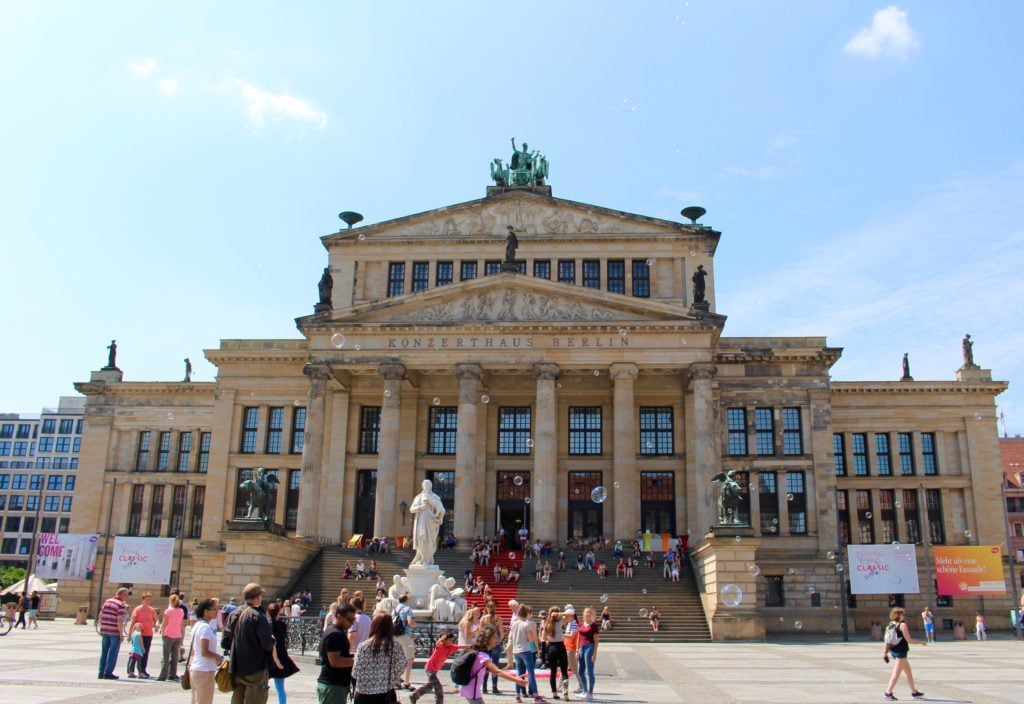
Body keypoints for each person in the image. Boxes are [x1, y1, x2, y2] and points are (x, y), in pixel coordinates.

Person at [221, 582, 274, 704]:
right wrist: (272, 640)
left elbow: (225, 643)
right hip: (255, 668)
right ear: (257, 597)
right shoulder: (258, 615)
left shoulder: (234, 613)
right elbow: (266, 643)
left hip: (237, 667)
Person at [352, 612, 406, 704]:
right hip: (386, 693)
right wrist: (392, 677)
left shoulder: (363, 646)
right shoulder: (395, 645)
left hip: (364, 694)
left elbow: (356, 672)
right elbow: (402, 665)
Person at [883, 606, 926, 700]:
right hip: (901, 652)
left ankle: (914, 691)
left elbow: (887, 640)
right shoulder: (902, 625)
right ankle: (888, 692)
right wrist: (921, 642)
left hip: (894, 650)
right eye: (902, 614)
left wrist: (885, 652)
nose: (903, 616)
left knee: (908, 672)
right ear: (899, 615)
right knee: (896, 673)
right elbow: (909, 640)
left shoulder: (890, 624)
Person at [318, 603, 356, 704]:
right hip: (333, 685)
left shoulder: (337, 631)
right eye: (349, 619)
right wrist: (356, 660)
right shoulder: (334, 634)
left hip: (335, 685)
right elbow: (335, 661)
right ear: (339, 616)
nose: (352, 623)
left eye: (354, 619)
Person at [410, 629, 460, 704]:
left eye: (452, 640)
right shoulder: (440, 646)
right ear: (444, 640)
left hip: (434, 670)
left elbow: (459, 647)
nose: (451, 641)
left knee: (429, 686)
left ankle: (414, 695)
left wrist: (471, 646)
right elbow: (437, 643)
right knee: (438, 687)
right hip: (430, 669)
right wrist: (442, 638)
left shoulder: (450, 647)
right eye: (450, 640)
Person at [189, 598, 224, 704]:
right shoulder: (205, 628)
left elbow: (194, 651)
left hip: (197, 668)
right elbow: (205, 652)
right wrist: (217, 657)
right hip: (205, 670)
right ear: (205, 611)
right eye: (214, 609)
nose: (216, 611)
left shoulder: (197, 625)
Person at [508, 604, 543, 703]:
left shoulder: (514, 624)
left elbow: (511, 637)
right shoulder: (526, 624)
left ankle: (518, 696)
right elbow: (531, 639)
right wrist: (535, 648)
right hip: (526, 650)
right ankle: (535, 696)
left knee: (519, 673)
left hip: (516, 650)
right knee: (531, 673)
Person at [267, 602, 300, 703]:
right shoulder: (282, 625)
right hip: (281, 656)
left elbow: (272, 642)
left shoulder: (267, 625)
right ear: (279, 612)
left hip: (268, 657)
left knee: (262, 686)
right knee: (280, 688)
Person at [410, 479, 446, 567]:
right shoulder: (418, 497)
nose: (427, 487)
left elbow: (442, 509)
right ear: (423, 486)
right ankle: (422, 558)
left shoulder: (435, 497)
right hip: (421, 521)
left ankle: (428, 558)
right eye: (425, 485)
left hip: (431, 521)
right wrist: (420, 507)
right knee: (421, 538)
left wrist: (431, 502)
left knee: (430, 540)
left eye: (428, 485)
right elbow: (411, 509)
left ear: (431, 486)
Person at [97, 587, 129, 679]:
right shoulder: (121, 604)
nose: (127, 597)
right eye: (126, 595)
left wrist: (101, 626)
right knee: (113, 653)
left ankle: (101, 672)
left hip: (105, 630)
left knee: (104, 652)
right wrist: (121, 634)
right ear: (122, 595)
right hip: (114, 631)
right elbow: (120, 620)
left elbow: (101, 615)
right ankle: (108, 673)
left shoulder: (107, 601)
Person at [128, 592, 158, 678]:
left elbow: (156, 620)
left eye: (149, 600)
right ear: (142, 599)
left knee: (145, 652)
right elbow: (132, 622)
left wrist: (156, 625)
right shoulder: (137, 609)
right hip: (138, 635)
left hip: (148, 634)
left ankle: (142, 670)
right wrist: (130, 634)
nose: (148, 601)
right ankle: (131, 670)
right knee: (135, 652)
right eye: (146, 600)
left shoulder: (151, 610)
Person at [479, 602, 506, 695]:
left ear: (486, 608)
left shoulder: (483, 618)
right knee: (495, 666)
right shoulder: (498, 618)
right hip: (495, 644)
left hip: (486, 645)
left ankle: (484, 687)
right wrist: (497, 641)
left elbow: (480, 633)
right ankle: (494, 687)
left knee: (485, 666)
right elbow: (502, 633)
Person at [157, 593, 185, 681]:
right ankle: (172, 674)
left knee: (165, 656)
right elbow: (182, 624)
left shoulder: (168, 611)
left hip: (168, 635)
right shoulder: (181, 611)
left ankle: (163, 675)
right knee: (174, 656)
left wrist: (162, 632)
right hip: (177, 635)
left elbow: (165, 623)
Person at [392, 594, 417, 690]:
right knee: (409, 659)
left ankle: (396, 681)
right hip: (405, 635)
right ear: (406, 600)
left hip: (394, 635)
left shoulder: (394, 609)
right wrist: (415, 625)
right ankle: (406, 682)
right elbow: (410, 622)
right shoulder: (408, 609)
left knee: (397, 658)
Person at [543, 607, 568, 699]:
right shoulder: (560, 622)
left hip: (551, 647)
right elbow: (569, 614)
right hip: (560, 646)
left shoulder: (547, 623)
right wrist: (560, 614)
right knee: (564, 670)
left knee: (553, 672)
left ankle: (554, 693)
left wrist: (552, 614)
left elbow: (544, 638)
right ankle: (565, 692)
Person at [576, 607, 600, 701]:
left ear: (592, 614)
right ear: (583, 614)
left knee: (590, 671)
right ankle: (585, 691)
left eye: (590, 612)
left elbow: (596, 640)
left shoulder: (593, 625)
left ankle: (590, 692)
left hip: (590, 647)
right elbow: (578, 637)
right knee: (580, 671)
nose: (588, 613)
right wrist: (577, 650)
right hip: (581, 647)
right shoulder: (581, 624)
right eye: (586, 612)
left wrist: (595, 653)